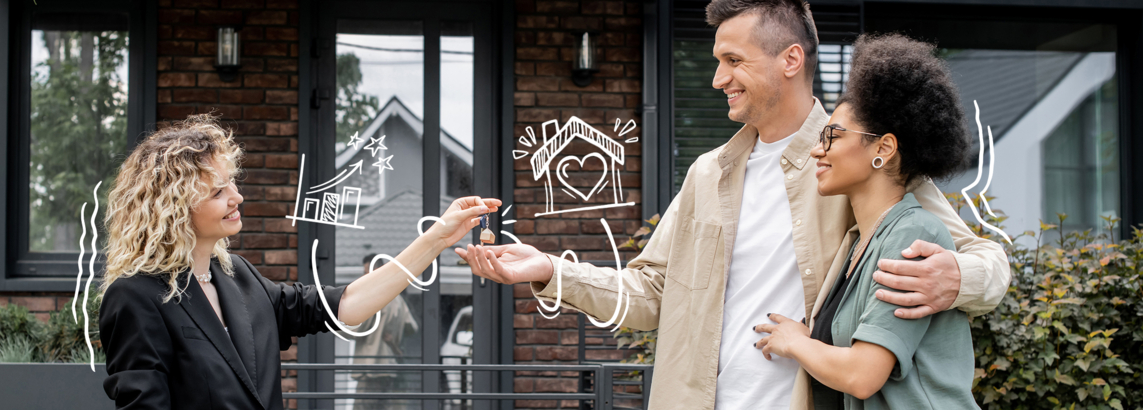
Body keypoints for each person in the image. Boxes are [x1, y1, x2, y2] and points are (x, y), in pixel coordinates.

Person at [456, 0, 1010, 409]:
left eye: (733, 60)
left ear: (791, 59)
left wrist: (955, 278)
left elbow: (987, 262)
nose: (719, 77)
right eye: (716, 61)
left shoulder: (854, 159)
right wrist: (552, 270)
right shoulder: (707, 174)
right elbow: (651, 293)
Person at [97, 114, 500, 409]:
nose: (236, 197)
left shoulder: (240, 279)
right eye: (219, 191)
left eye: (232, 182)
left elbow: (344, 306)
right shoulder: (135, 296)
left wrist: (436, 239)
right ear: (173, 208)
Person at [753, 33, 980, 409]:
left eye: (833, 137)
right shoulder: (861, 241)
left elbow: (862, 374)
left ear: (883, 149)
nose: (816, 150)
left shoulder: (913, 234)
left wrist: (796, 342)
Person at [351, 254, 419, 410]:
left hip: (370, 368)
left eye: (367, 271)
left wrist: (334, 322)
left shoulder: (373, 298)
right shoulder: (398, 300)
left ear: (379, 270)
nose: (364, 276)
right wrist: (395, 334)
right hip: (388, 367)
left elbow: (355, 330)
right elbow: (411, 327)